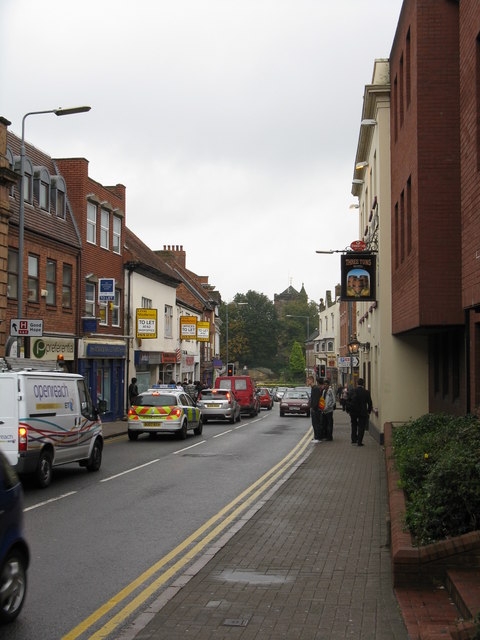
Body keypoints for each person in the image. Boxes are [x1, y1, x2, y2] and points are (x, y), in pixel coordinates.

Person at [346, 378, 373, 446]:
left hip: (353, 412)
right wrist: (368, 411)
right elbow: (369, 403)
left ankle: (354, 439)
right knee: (361, 426)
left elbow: (348, 401)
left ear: (357, 383)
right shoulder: (366, 392)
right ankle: (359, 441)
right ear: (363, 384)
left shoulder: (352, 391)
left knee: (354, 425)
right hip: (362, 412)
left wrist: (348, 410)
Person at [306, 375, 322, 442]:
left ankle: (317, 437)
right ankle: (316, 436)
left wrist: (313, 408)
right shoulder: (313, 388)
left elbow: (316, 400)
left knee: (316, 423)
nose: (307, 382)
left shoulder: (315, 388)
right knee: (314, 423)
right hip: (314, 409)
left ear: (312, 380)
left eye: (308, 380)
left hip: (316, 410)